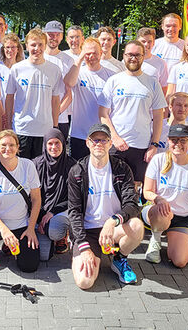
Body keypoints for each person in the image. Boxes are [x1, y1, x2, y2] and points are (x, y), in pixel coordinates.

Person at [68, 123, 143, 289]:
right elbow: (74, 212)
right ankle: (88, 252)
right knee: (85, 282)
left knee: (137, 226)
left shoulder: (122, 168)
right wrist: (84, 247)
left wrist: (112, 221)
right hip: (88, 232)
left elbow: (132, 204)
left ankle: (120, 259)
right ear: (87, 143)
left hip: (114, 228)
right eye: (95, 140)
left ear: (110, 143)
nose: (99, 144)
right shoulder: (77, 171)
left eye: (104, 140)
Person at [141, 124, 188, 268]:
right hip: (158, 211)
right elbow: (147, 191)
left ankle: (174, 240)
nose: (178, 144)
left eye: (183, 140)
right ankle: (155, 240)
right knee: (163, 210)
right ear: (168, 141)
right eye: (174, 140)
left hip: (182, 217)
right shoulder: (158, 160)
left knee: (180, 261)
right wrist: (158, 199)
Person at [99, 40, 166, 183]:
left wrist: (154, 145)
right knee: (113, 187)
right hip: (115, 146)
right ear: (123, 56)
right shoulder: (113, 81)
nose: (133, 58)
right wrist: (115, 138)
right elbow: (103, 114)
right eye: (129, 54)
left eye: (137, 55)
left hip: (141, 147)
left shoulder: (153, 83)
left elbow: (158, 117)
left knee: (137, 189)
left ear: (143, 56)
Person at [0, 130, 41, 272]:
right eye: (3, 145)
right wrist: (4, 230)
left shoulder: (28, 165)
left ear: (18, 147)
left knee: (29, 266)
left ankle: (9, 245)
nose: (8, 148)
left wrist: (31, 228)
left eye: (12, 145)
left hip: (20, 222)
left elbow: (36, 200)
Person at [4, 29, 63, 159]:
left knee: (41, 168)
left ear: (45, 45)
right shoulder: (17, 69)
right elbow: (9, 97)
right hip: (22, 129)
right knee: (21, 166)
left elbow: (55, 100)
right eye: (33, 45)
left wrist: (55, 126)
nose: (37, 48)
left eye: (40, 44)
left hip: (45, 130)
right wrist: (8, 123)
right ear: (26, 46)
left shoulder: (54, 70)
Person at [64, 37, 115, 160]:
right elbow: (69, 82)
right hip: (79, 134)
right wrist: (80, 58)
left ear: (101, 53)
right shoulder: (78, 72)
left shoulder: (111, 76)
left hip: (102, 135)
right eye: (87, 53)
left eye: (95, 53)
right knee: (78, 168)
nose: (91, 56)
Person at [33, 128, 76, 260]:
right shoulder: (35, 164)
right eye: (50, 143)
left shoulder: (73, 166)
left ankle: (62, 235)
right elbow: (30, 196)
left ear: (63, 143)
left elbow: (74, 198)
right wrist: (41, 216)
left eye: (57, 143)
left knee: (54, 232)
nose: (54, 147)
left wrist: (52, 212)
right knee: (42, 256)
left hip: (62, 209)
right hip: (38, 209)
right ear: (45, 145)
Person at [44, 21, 74, 139]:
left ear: (62, 37)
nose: (54, 38)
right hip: (40, 118)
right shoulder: (39, 57)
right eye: (51, 34)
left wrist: (55, 114)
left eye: (57, 34)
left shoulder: (68, 60)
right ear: (45, 35)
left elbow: (69, 93)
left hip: (61, 119)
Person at [0, 33, 24, 105]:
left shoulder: (22, 68)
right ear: (3, 49)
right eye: (7, 47)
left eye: (13, 47)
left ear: (18, 49)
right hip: (1, 108)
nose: (10, 50)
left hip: (17, 109)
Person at [137, 27, 168, 92]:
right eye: (143, 41)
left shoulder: (161, 63)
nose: (146, 44)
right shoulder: (128, 61)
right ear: (137, 42)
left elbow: (164, 88)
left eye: (149, 42)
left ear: (153, 43)